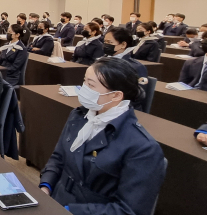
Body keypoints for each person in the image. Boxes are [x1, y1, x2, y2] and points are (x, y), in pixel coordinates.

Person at [39, 58, 165, 214]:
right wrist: (46, 186)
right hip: (57, 199)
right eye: (84, 81)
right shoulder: (79, 116)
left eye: (91, 85)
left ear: (116, 96)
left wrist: (69, 210)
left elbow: (129, 210)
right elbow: (58, 157)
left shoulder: (142, 148)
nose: (84, 88)